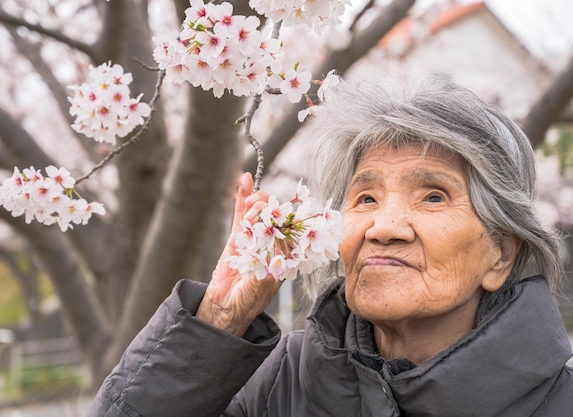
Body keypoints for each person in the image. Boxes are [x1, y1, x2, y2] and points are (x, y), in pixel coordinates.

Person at [87, 77, 573, 417]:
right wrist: (217, 320)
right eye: (365, 197)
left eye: (433, 195)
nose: (384, 227)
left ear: (501, 254)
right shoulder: (284, 379)